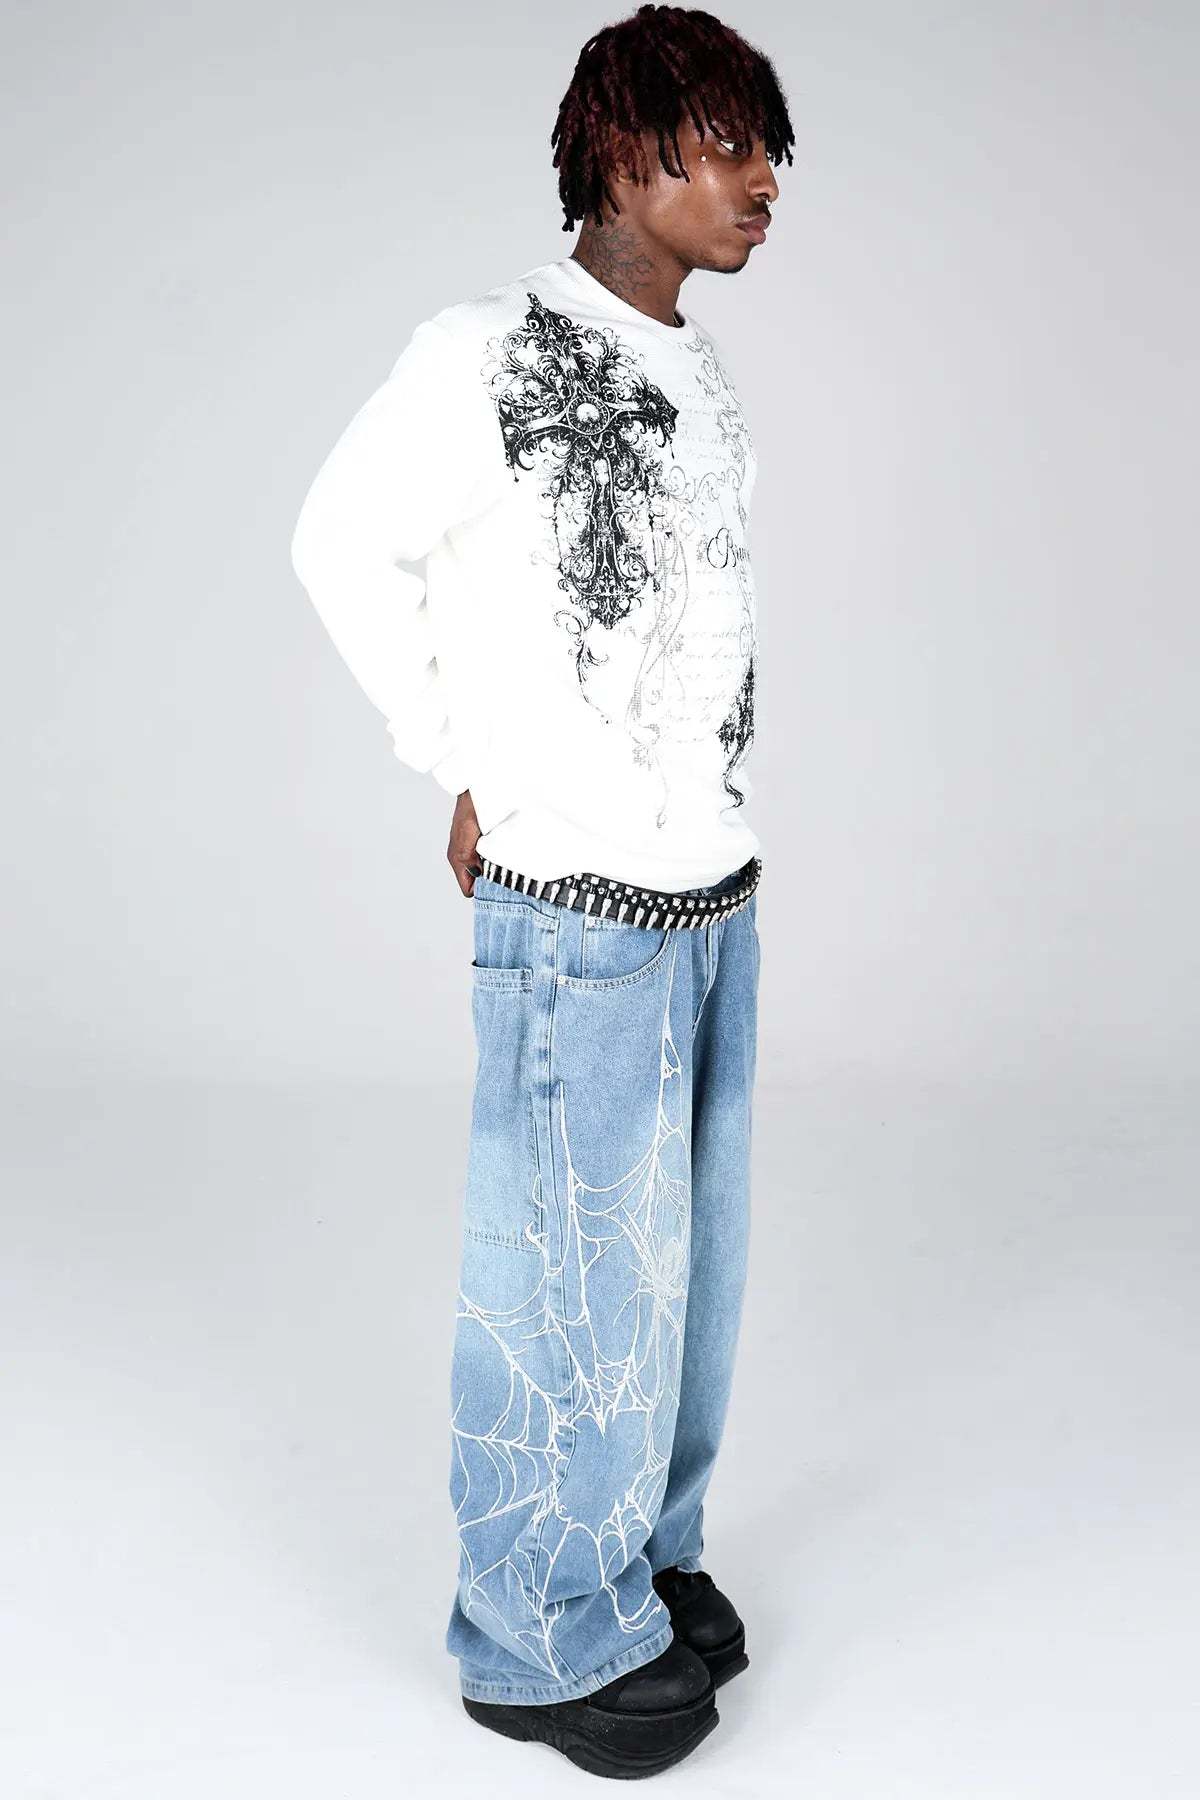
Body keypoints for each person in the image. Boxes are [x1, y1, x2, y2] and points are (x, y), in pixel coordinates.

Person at [289, 2, 793, 1777]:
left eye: (769, 148)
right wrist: (460, 760)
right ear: (626, 154)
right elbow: (340, 542)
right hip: (576, 896)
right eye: (729, 145)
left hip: (710, 887)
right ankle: (532, 1632)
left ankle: (636, 1559)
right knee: (567, 1273)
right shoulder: (486, 352)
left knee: (684, 1274)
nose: (764, 181)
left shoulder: (703, 375)